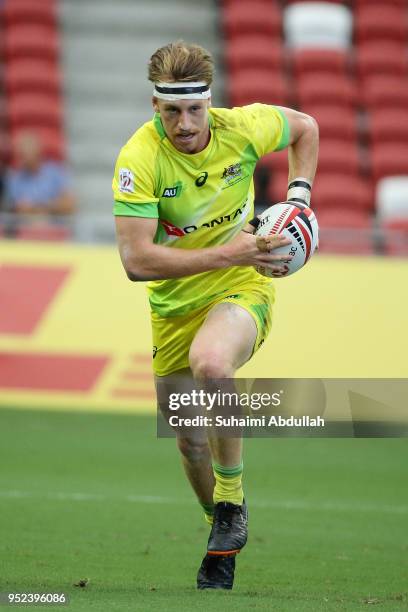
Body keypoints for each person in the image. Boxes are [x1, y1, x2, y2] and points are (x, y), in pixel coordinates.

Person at [113, 41, 318, 590]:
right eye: (170, 110)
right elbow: (136, 262)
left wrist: (298, 197)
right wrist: (231, 249)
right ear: (155, 105)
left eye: (194, 109)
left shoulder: (244, 127)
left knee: (212, 363)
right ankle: (221, 531)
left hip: (242, 282)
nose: (184, 123)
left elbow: (306, 128)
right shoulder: (139, 159)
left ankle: (231, 500)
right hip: (174, 303)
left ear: (210, 102)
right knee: (186, 437)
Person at [4, 131, 75, 219]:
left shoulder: (56, 172)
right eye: (21, 154)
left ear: (38, 152)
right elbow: (20, 209)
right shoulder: (15, 179)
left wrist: (38, 207)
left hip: (54, 226)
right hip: (27, 226)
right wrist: (53, 205)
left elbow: (69, 205)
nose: (24, 158)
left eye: (28, 153)